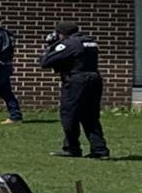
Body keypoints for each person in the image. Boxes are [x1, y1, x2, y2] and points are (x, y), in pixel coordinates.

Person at [38, 21, 109, 159]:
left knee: (69, 114)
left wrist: (52, 46)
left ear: (61, 33)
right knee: (90, 116)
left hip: (77, 81)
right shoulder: (89, 41)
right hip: (93, 79)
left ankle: (72, 148)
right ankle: (100, 150)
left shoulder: (70, 44)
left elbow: (45, 61)